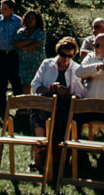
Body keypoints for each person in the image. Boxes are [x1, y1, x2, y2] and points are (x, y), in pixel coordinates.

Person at [28, 37, 83, 166]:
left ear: (74, 55)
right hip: (46, 100)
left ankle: (42, 149)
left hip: (65, 104)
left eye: (70, 56)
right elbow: (35, 85)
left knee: (46, 109)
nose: (66, 58)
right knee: (36, 106)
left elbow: (81, 94)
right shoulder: (47, 64)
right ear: (58, 52)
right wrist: (48, 89)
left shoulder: (76, 69)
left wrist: (68, 94)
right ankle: (41, 144)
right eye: (63, 55)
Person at [0, 0, 24, 121]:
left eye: (5, 8)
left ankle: (20, 108)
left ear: (11, 9)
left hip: (13, 55)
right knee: (0, 81)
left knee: (16, 81)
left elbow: (24, 36)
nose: (2, 10)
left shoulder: (19, 21)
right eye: (1, 8)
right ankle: (1, 106)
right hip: (0, 54)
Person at [15, 10, 47, 95]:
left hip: (37, 63)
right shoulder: (21, 32)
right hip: (23, 63)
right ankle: (26, 106)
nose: (30, 20)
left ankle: (36, 106)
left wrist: (23, 46)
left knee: (37, 84)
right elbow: (16, 43)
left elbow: (36, 45)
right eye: (28, 18)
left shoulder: (40, 33)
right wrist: (29, 41)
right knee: (25, 84)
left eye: (33, 18)